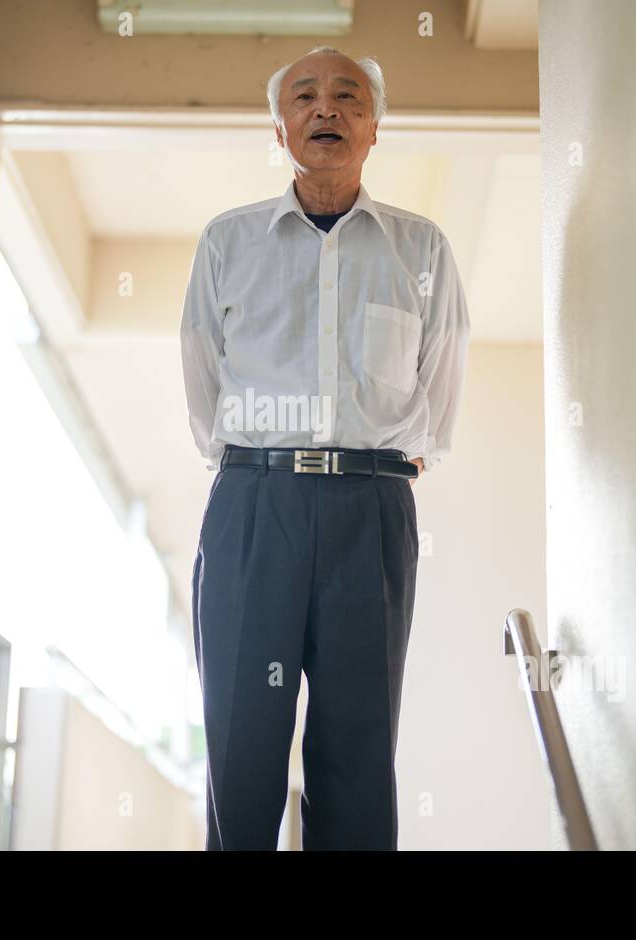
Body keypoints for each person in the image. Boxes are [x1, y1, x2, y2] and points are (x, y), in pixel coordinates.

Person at [178, 45, 471, 850]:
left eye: (348, 98)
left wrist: (367, 472)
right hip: (251, 506)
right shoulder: (228, 243)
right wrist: (261, 468)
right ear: (280, 128)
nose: (326, 109)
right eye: (305, 97)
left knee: (358, 754)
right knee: (240, 751)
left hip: (370, 510)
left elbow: (436, 396)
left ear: (375, 128)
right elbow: (206, 389)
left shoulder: (422, 251)